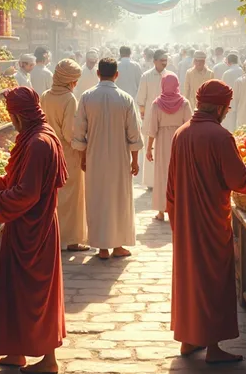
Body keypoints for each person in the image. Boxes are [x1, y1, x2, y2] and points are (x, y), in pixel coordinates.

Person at [167, 80, 246, 363]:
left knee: (190, 279)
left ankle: (189, 340)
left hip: (187, 221)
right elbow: (237, 178)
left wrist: (176, 219)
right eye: (227, 107)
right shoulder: (221, 137)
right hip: (211, 222)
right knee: (213, 280)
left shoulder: (181, 133)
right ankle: (213, 348)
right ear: (221, 107)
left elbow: (171, 184)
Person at [0, 87, 67, 374]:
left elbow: (26, 193)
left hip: (35, 231)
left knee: (37, 295)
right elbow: (16, 178)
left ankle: (48, 360)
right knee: (16, 291)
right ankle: (16, 353)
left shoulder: (38, 143)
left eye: (11, 115)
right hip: (27, 227)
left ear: (20, 116)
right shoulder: (36, 135)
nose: (10, 120)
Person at [72, 58, 143, 260]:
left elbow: (79, 132)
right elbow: (134, 133)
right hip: (120, 158)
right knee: (118, 200)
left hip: (94, 156)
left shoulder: (86, 97)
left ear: (98, 73)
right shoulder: (125, 99)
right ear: (116, 74)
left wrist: (84, 157)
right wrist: (135, 160)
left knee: (98, 199)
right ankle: (117, 245)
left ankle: (102, 248)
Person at [40, 59, 89, 252]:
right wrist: (84, 145)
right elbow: (70, 133)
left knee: (54, 195)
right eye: (74, 80)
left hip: (49, 150)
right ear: (69, 81)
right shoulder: (69, 99)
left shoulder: (45, 95)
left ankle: (52, 237)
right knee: (72, 197)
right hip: (67, 153)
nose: (76, 84)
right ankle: (72, 240)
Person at [147, 74, 191, 221]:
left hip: (162, 142)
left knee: (162, 176)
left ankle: (161, 211)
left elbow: (152, 128)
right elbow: (190, 125)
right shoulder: (184, 103)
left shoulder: (156, 104)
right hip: (180, 141)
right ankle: (179, 210)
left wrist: (149, 148)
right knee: (179, 175)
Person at [137, 49, 172, 190]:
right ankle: (151, 182)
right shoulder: (146, 76)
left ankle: (165, 180)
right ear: (155, 61)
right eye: (162, 60)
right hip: (150, 118)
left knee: (165, 150)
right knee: (150, 149)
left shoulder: (170, 76)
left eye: (166, 60)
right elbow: (141, 99)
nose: (164, 63)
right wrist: (143, 117)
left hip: (167, 119)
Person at [222, 53, 244, 131]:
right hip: (242, 100)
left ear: (228, 61)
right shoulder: (242, 71)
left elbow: (224, 89)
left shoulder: (227, 73)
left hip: (230, 102)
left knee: (231, 125)